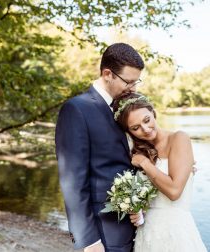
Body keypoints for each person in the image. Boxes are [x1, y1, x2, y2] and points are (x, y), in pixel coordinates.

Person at [55, 43, 145, 252]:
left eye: (137, 81)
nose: (134, 88)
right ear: (107, 74)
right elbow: (73, 181)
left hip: (132, 228)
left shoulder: (127, 107)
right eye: (129, 82)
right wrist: (87, 240)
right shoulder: (77, 109)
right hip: (103, 234)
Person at [112, 93, 208, 252]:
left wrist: (145, 163)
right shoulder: (135, 152)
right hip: (147, 233)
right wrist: (138, 211)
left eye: (147, 120)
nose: (145, 129)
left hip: (176, 233)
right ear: (129, 131)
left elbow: (174, 191)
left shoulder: (179, 139)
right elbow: (149, 195)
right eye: (135, 128)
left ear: (153, 112)